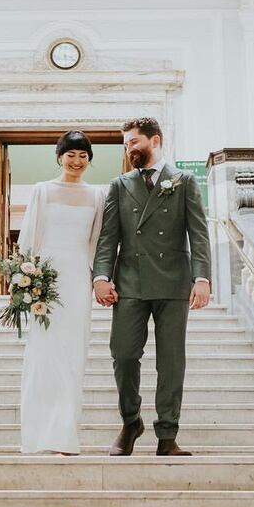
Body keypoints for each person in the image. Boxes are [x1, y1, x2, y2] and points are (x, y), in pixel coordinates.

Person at [93, 117, 211, 456]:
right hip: (130, 281)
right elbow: (108, 237)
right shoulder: (119, 185)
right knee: (124, 354)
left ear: (154, 141)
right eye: (126, 144)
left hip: (174, 281)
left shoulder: (184, 181)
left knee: (172, 361)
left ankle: (167, 435)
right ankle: (131, 421)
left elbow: (198, 233)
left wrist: (201, 278)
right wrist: (102, 277)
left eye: (133, 142)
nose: (129, 149)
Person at [17, 131, 105, 455]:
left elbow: (95, 242)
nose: (77, 161)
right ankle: (38, 436)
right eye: (71, 155)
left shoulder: (98, 195)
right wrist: (26, 278)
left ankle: (65, 435)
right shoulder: (42, 190)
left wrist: (97, 279)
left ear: (89, 160)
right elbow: (29, 237)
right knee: (43, 357)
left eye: (83, 156)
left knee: (72, 356)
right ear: (59, 156)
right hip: (46, 281)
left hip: (77, 279)